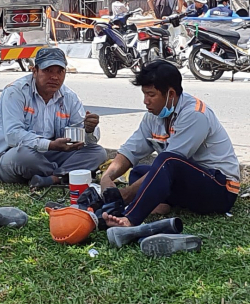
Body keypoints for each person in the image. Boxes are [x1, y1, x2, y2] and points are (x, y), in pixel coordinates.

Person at [98, 61, 240, 228]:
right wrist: (107, 178)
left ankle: (130, 218)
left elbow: (169, 163)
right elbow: (131, 149)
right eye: (144, 94)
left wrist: (127, 194)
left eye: (151, 95)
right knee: (138, 172)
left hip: (220, 189)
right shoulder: (154, 114)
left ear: (171, 94)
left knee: (166, 161)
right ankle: (163, 204)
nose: (145, 101)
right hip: (189, 184)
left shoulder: (195, 114)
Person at [0, 47, 105, 188]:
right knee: (24, 156)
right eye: (48, 71)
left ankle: (52, 178)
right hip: (12, 155)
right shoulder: (15, 92)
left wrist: (89, 130)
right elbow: (13, 135)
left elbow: (80, 136)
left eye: (60, 71)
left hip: (50, 154)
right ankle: (63, 175)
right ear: (34, 71)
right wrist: (50, 145)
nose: (55, 77)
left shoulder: (70, 97)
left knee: (97, 152)